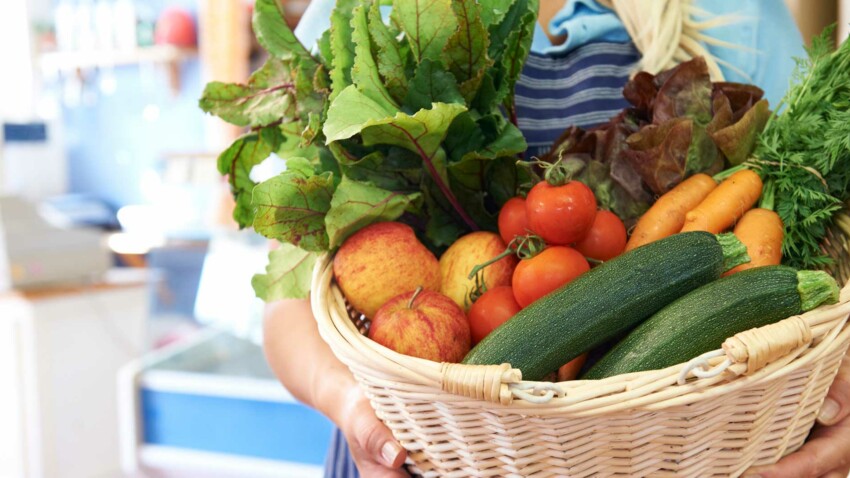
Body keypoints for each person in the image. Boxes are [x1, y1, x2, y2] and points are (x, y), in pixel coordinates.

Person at [264, 2, 847, 477]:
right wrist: (355, 410)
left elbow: (831, 241)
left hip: (668, 450)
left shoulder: (735, 13)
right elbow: (287, 302)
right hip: (426, 449)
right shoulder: (358, 14)